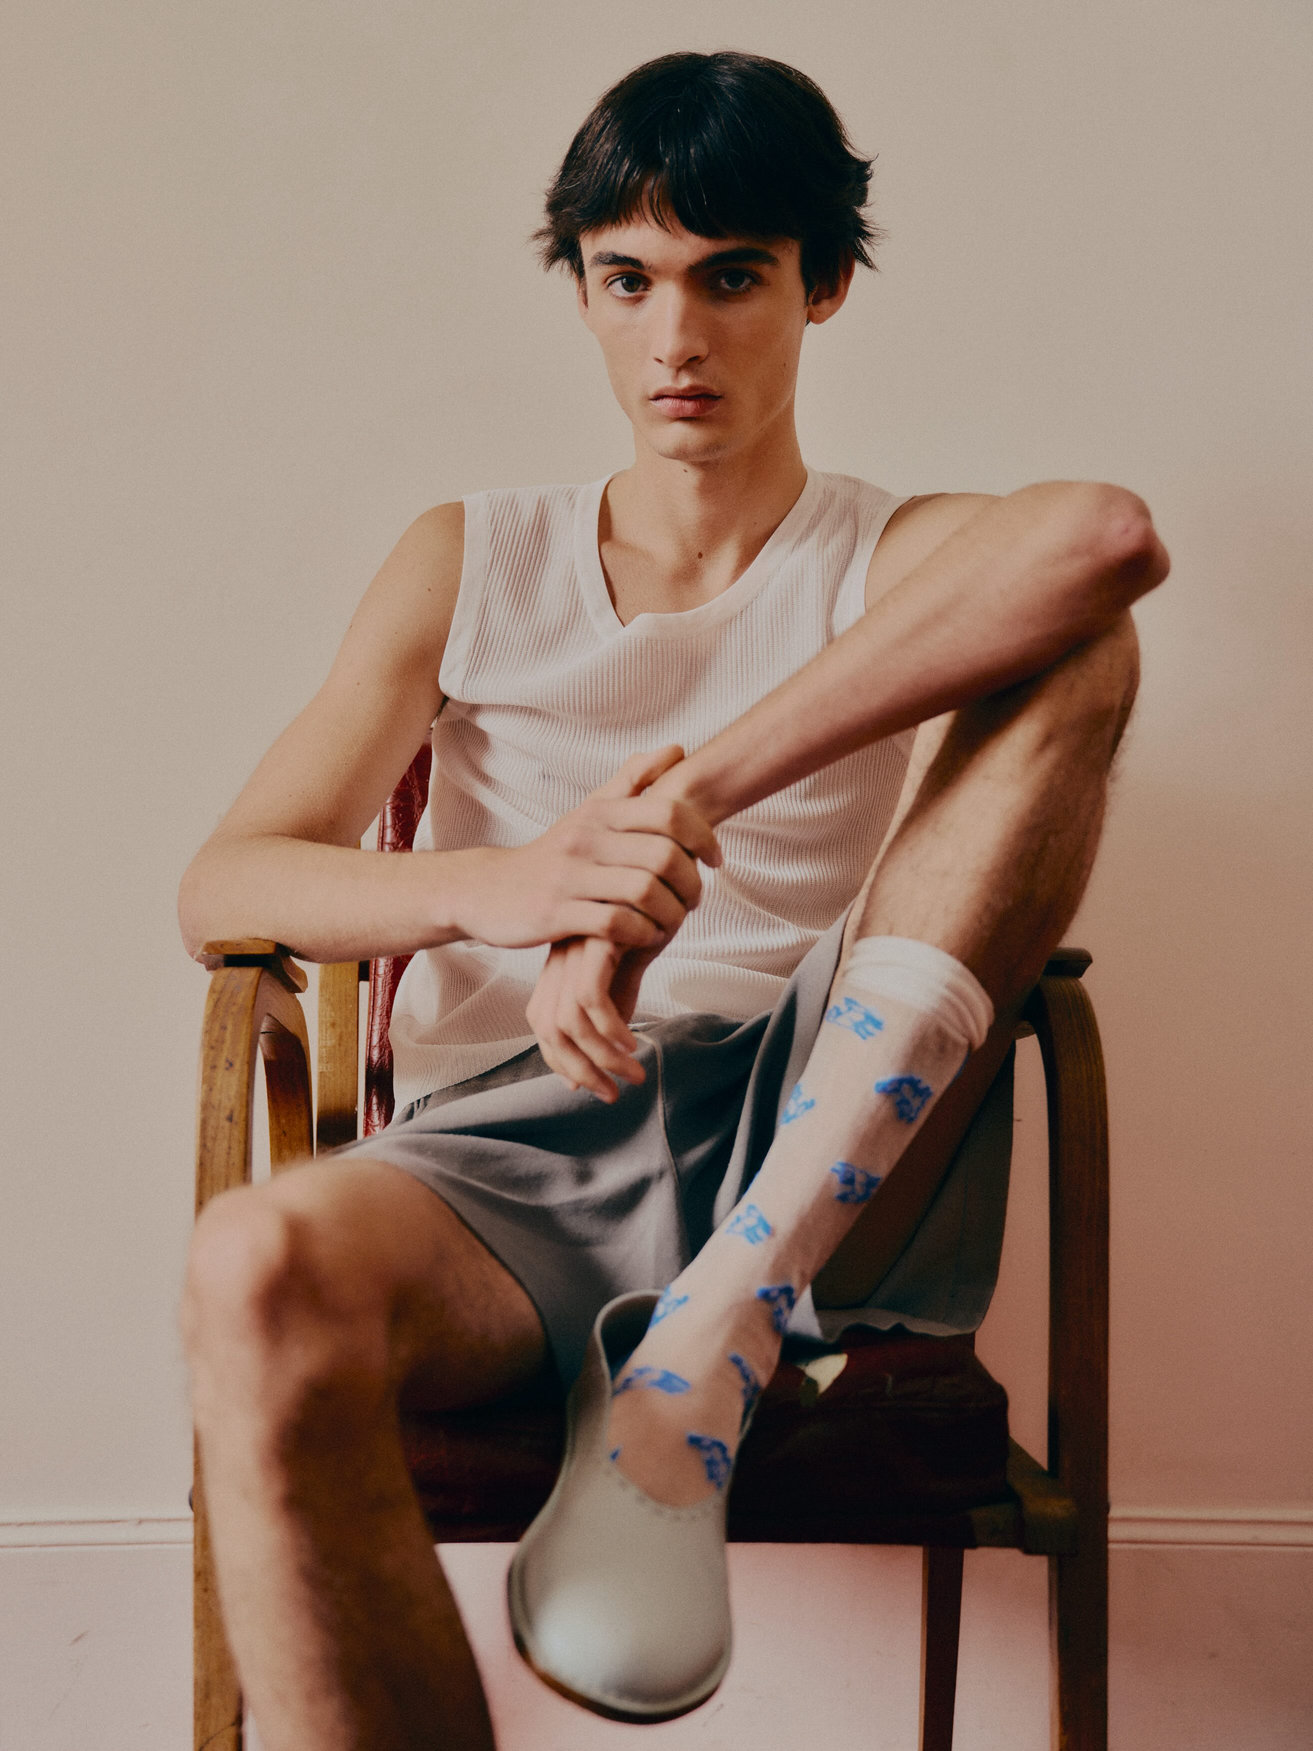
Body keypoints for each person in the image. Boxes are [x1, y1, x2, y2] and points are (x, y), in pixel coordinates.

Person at [178, 49, 1168, 1751]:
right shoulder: (471, 557)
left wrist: (682, 802)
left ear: (821, 286)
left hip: (827, 1119)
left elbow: (1101, 538)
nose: (675, 337)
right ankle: (703, 1328)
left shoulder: (881, 556)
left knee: (1085, 640)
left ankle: (724, 1314)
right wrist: (519, 886)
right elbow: (225, 882)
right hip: (514, 1154)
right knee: (248, 1261)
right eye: (626, 279)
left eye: (732, 277)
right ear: (578, 289)